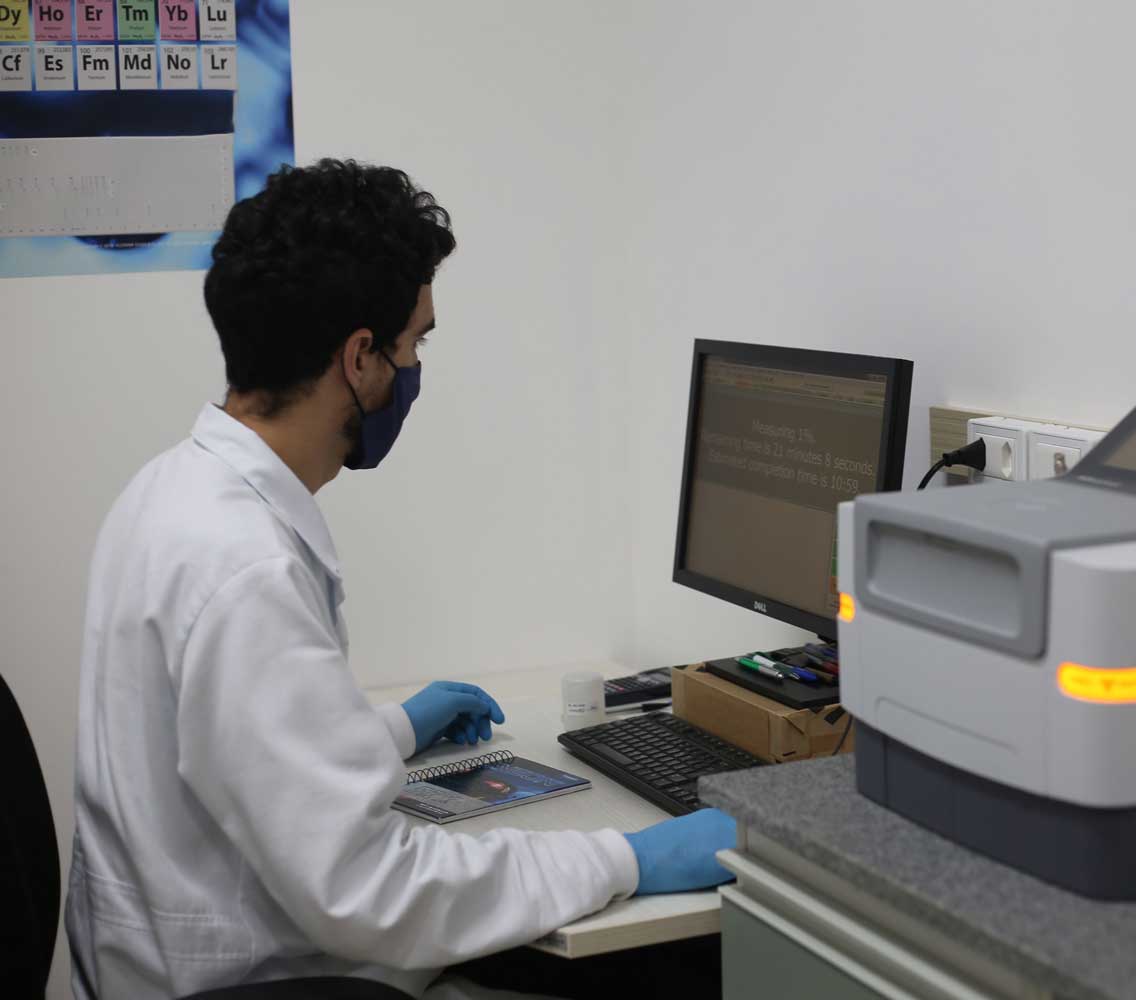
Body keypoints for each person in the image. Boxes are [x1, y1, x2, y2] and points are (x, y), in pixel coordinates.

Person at [66, 159, 736, 1000]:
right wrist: (625, 859)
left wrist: (390, 731)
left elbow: (241, 751)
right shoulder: (243, 567)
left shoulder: (171, 489)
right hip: (260, 978)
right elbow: (370, 891)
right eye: (415, 342)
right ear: (360, 358)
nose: (415, 366)